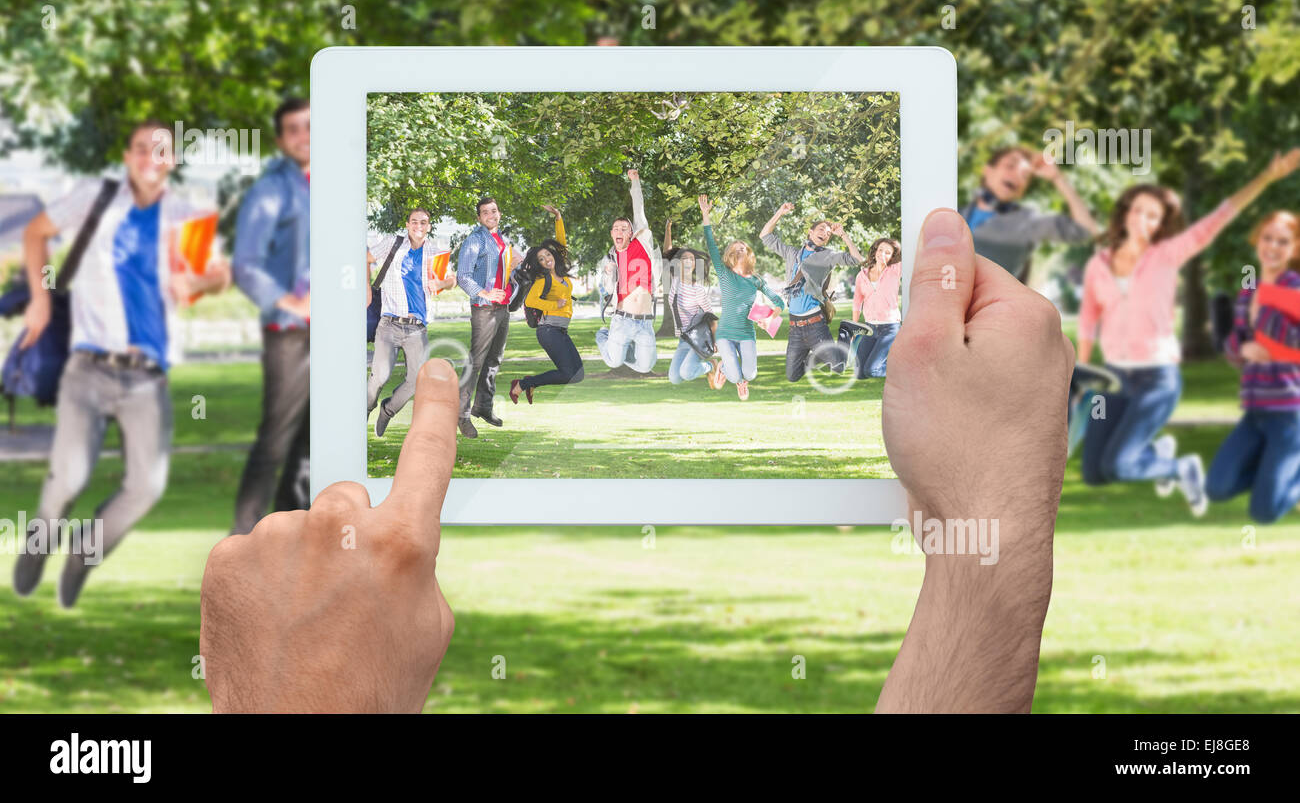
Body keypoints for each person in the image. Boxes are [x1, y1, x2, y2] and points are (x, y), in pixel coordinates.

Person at [199, 209, 1072, 713]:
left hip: (570, 318)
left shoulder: (587, 256)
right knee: (532, 367)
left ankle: (493, 400)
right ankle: (473, 401)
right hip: (493, 316)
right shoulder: (511, 254)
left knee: (579, 366)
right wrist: (984, 555)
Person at [13, 119, 231, 606]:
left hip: (146, 379)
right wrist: (41, 300)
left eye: (160, 150)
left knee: (146, 487)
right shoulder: (95, 195)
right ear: (128, 155)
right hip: (88, 368)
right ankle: (40, 540)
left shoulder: (187, 214)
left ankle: (82, 556)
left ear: (172, 160)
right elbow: (35, 233)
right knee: (69, 477)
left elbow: (218, 276)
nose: (150, 158)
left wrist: (196, 285)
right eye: (140, 148)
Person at [1077, 150, 1300, 514]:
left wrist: (1266, 177)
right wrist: (1084, 374)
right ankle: (1157, 453)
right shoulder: (1097, 264)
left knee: (1119, 464)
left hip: (1156, 378)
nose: (1143, 219)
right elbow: (1087, 318)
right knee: (1095, 473)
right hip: (1111, 379)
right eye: (1138, 210)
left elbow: (1221, 216)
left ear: (1160, 224)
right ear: (1125, 213)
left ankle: (1179, 467)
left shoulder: (1169, 254)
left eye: (1154, 215)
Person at [230, 97, 312, 536]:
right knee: (277, 438)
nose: (305, 136)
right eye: (294, 129)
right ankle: (239, 541)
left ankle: (287, 539)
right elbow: (246, 262)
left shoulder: (337, 183)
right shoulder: (271, 189)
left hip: (333, 335)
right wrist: (291, 303)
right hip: (290, 334)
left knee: (311, 443)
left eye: (311, 125)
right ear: (282, 140)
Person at [1206, 210, 1300, 523]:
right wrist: (1242, 347)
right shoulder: (1249, 289)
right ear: (1257, 240)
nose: (1273, 246)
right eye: (1267, 238)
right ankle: (1270, 475)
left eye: (1283, 241)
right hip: (1255, 409)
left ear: (1295, 248)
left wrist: (1266, 317)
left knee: (1264, 513)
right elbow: (1234, 345)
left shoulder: (1294, 288)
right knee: (1217, 488)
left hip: (1289, 412)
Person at [365, 208, 456, 437]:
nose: (418, 226)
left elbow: (451, 280)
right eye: (414, 222)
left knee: (416, 381)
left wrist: (441, 285)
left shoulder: (436, 252)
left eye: (423, 222)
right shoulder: (393, 244)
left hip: (416, 328)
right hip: (389, 324)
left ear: (429, 226)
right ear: (407, 224)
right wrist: (366, 287)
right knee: (380, 376)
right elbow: (364, 257)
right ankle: (364, 408)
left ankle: (388, 410)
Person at [760, 202, 864, 382]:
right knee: (793, 376)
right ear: (810, 231)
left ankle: (846, 330)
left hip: (815, 325)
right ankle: (814, 355)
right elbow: (765, 235)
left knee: (838, 366)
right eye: (822, 229)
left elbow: (857, 259)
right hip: (795, 328)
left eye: (829, 233)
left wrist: (844, 235)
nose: (825, 233)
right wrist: (779, 213)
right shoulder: (792, 253)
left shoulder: (828, 256)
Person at [960, 146, 1098, 282]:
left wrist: (1057, 178)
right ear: (988, 171)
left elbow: (1085, 229)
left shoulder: (1028, 222)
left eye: (1025, 175)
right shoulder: (955, 212)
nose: (1017, 175)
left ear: (1023, 190)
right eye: (1010, 166)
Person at [699, 195, 786, 401]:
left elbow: (780, 302)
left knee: (750, 374)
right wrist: (706, 215)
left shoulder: (756, 280)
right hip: (725, 333)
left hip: (746, 333)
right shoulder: (724, 273)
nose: (740, 249)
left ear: (748, 253)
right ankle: (727, 370)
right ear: (730, 253)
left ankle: (737, 376)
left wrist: (771, 318)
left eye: (743, 247)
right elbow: (711, 245)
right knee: (736, 375)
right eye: (736, 247)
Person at [454, 195, 524, 438]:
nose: (490, 215)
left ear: (499, 213)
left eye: (494, 210)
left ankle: (483, 407)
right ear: (479, 217)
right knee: (476, 363)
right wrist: (484, 292)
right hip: (484, 309)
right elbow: (463, 275)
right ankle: (461, 416)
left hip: (503, 309)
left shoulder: (503, 240)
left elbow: (506, 270)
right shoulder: (475, 241)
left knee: (494, 360)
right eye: (485, 212)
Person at [510, 204, 584, 403]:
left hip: (560, 330)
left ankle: (530, 382)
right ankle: (522, 384)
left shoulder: (560, 273)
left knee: (578, 373)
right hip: (548, 330)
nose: (546, 259)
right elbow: (531, 300)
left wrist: (558, 218)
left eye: (548, 255)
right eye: (541, 259)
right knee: (568, 373)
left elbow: (561, 244)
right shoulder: (542, 280)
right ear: (539, 264)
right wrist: (555, 306)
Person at [595, 169, 660, 375]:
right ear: (611, 234)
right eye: (616, 229)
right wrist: (608, 273)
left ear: (631, 233)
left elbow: (638, 209)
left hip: (645, 322)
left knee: (645, 366)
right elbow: (606, 289)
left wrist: (635, 182)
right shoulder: (611, 259)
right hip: (621, 320)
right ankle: (603, 335)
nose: (620, 231)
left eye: (624, 228)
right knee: (614, 362)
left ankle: (626, 349)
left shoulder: (640, 244)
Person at [662, 216, 715, 385]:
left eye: (691, 259)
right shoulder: (674, 280)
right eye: (684, 258)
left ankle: (710, 366)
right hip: (684, 339)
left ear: (694, 265)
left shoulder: (697, 288)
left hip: (699, 338)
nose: (688, 261)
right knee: (675, 378)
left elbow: (711, 316)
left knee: (686, 372)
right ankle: (705, 367)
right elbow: (666, 253)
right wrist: (668, 229)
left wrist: (716, 340)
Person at [844, 237, 903, 378]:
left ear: (892, 256)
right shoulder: (862, 275)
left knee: (872, 370)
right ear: (875, 250)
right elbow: (857, 302)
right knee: (859, 373)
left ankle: (902, 368)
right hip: (870, 328)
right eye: (881, 250)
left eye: (888, 252)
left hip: (890, 328)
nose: (882, 254)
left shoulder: (895, 270)